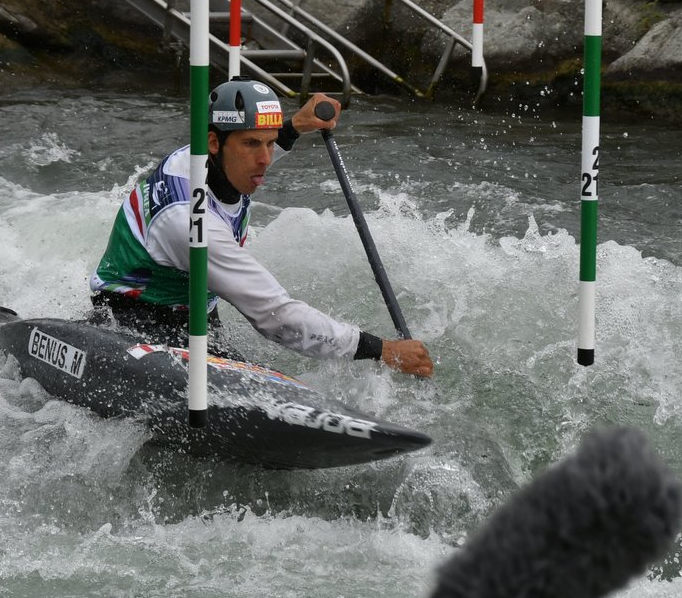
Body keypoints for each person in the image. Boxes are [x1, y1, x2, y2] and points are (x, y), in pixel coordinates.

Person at [89, 79, 434, 378]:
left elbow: (249, 150)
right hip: (129, 320)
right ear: (214, 143)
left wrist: (297, 125)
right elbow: (277, 319)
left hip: (194, 315)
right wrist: (381, 349)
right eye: (253, 144)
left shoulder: (199, 158)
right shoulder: (191, 223)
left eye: (269, 143)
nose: (266, 159)